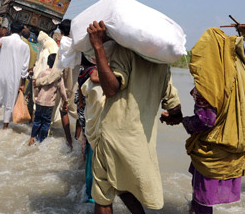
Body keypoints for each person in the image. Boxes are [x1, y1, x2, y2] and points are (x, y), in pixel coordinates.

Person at [86, 21, 182, 214]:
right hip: (140, 142)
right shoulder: (163, 64)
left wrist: (98, 46)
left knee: (103, 196)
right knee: (122, 186)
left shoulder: (126, 51)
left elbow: (111, 88)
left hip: (113, 138)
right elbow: (175, 107)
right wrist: (173, 118)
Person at [160, 27, 245, 214]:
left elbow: (206, 121)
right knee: (204, 202)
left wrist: (182, 121)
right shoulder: (239, 76)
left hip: (212, 150)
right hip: (234, 147)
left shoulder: (209, 85)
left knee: (202, 202)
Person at [34, 19, 79, 149]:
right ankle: (77, 140)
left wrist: (39, 82)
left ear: (61, 31)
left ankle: (69, 142)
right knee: (79, 115)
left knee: (62, 110)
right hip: (78, 86)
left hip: (64, 85)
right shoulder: (78, 46)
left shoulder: (63, 48)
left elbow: (56, 72)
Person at [0, 21, 30, 134]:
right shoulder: (25, 46)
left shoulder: (3, 40)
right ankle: (5, 128)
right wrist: (22, 83)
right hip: (14, 77)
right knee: (9, 103)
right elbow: (24, 68)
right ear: (22, 31)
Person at [75, 54, 99, 203]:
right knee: (92, 158)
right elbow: (96, 79)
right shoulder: (92, 71)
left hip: (84, 117)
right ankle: (90, 195)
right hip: (91, 119)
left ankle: (88, 191)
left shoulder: (82, 72)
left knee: (89, 153)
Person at [29, 54, 68, 145]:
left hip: (39, 101)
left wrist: (36, 97)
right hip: (49, 103)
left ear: (47, 62)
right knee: (46, 122)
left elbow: (35, 86)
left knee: (37, 120)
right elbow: (62, 90)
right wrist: (65, 101)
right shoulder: (58, 76)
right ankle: (41, 141)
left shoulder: (42, 73)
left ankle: (32, 138)